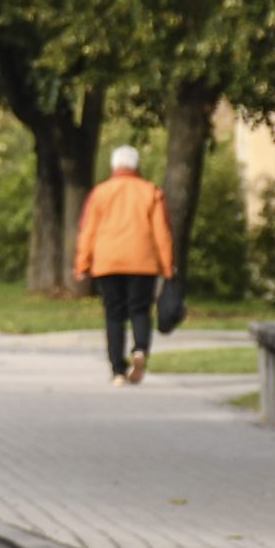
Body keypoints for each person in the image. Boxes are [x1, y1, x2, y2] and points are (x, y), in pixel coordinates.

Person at [74, 144, 174, 386]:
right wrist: (167, 266)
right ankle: (139, 349)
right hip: (142, 261)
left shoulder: (100, 193)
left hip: (108, 262)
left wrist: (82, 264)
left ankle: (118, 371)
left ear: (114, 166)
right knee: (140, 310)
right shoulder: (150, 192)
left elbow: (88, 231)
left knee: (114, 314)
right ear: (137, 166)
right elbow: (162, 232)